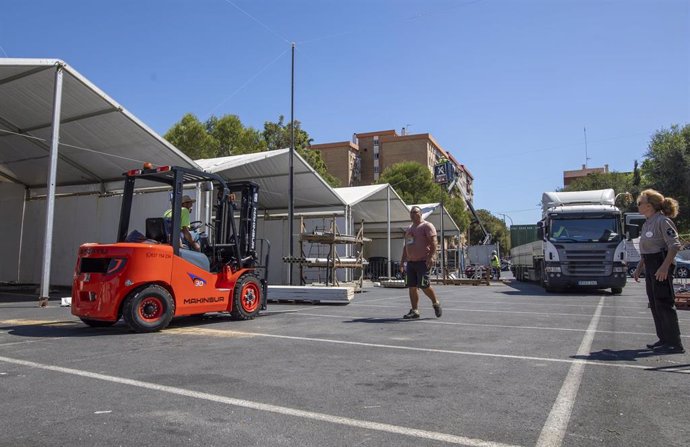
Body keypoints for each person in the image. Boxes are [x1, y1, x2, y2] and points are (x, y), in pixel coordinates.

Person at [633, 189, 685, 354]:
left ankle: (674, 343)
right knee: (655, 304)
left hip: (660, 264)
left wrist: (664, 267)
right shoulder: (648, 222)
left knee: (664, 303)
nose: (638, 206)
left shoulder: (662, 221)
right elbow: (647, 248)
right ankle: (663, 339)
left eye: (639, 203)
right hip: (650, 264)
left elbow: (675, 245)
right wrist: (640, 268)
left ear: (649, 206)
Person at [399, 206, 442, 319]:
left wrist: (431, 256)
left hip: (423, 261)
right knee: (412, 286)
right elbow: (406, 246)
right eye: (411, 213)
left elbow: (434, 242)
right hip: (411, 263)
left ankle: (435, 303)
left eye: (415, 212)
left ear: (421, 213)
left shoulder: (427, 226)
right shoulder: (409, 228)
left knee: (424, 285)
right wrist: (402, 261)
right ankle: (415, 311)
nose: (412, 214)